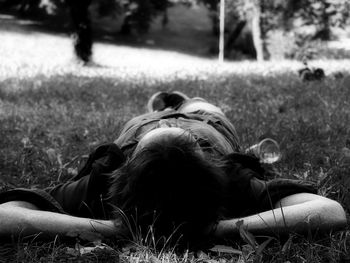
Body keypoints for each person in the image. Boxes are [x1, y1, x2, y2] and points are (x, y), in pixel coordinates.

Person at [0, 91, 346, 247]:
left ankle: (162, 108)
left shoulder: (105, 177)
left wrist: (112, 229)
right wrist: (219, 230)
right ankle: (183, 104)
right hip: (208, 124)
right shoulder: (232, 176)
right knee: (204, 106)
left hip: (140, 125)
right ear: (210, 162)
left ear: (128, 163)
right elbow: (329, 211)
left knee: (153, 115)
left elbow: (7, 215)